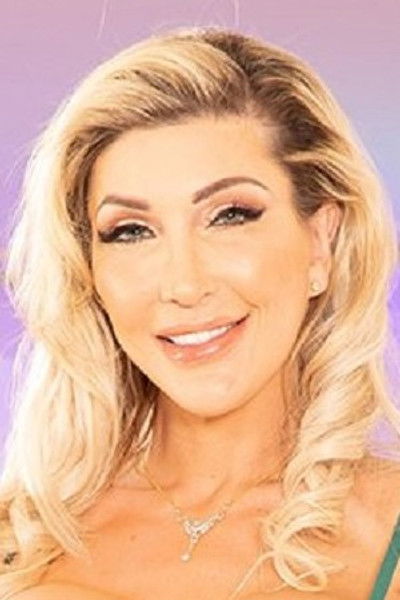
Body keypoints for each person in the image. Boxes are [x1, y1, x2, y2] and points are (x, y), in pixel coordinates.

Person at [1, 25, 400, 600]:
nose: (184, 285)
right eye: (131, 231)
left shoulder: (386, 534)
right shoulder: (20, 537)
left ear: (321, 242)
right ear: (89, 271)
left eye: (230, 215)